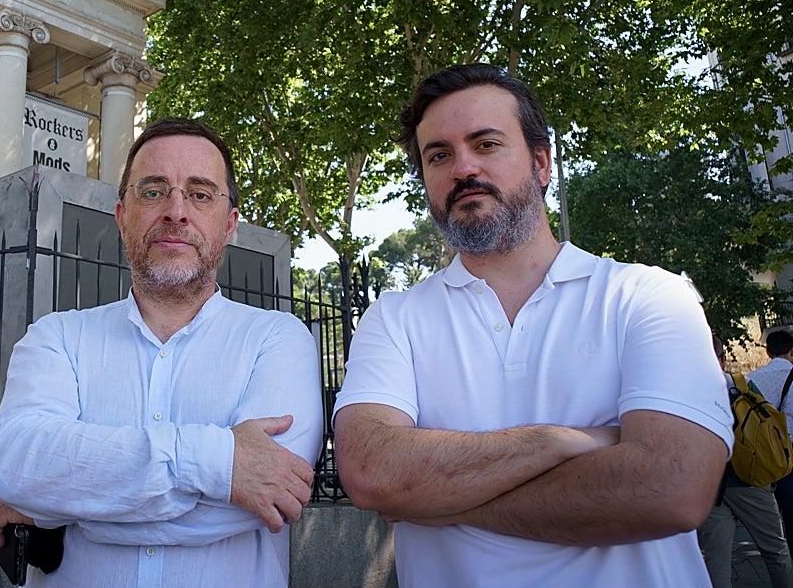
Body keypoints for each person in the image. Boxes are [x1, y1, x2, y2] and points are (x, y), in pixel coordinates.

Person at [333, 63, 732, 587]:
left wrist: (435, 500)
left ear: (542, 163)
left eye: (487, 144)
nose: (462, 168)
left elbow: (672, 488)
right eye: (439, 155)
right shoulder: (394, 318)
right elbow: (371, 472)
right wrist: (558, 441)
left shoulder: (647, 295)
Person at [0, 117, 322, 587]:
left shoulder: (280, 341)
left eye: (200, 194)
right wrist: (219, 464)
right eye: (154, 191)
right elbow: (19, 464)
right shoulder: (56, 338)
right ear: (122, 216)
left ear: (230, 223)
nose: (176, 211)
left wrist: (60, 509)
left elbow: (271, 497)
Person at [698, 336, 793, 588]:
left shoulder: (685, 391)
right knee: (775, 551)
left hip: (711, 486)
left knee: (716, 563)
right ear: (723, 358)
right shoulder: (742, 384)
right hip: (751, 481)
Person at [748, 330, 793, 535]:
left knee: (779, 515)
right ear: (792, 351)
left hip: (767, 453)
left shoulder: (750, 380)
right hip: (791, 447)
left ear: (768, 352)